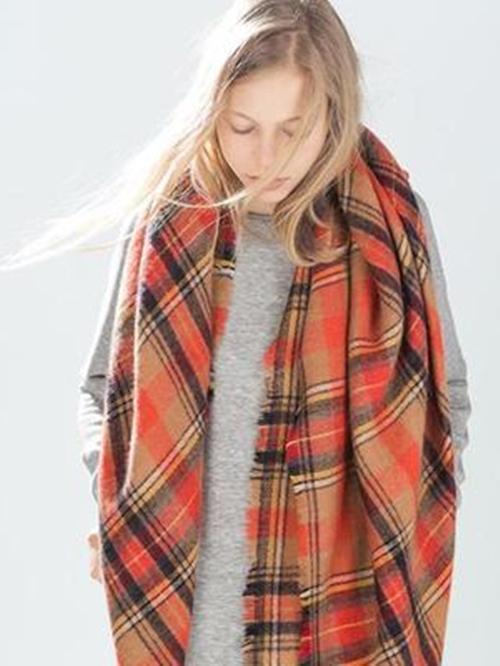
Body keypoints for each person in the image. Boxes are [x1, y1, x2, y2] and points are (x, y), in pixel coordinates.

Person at [1, 1, 472, 663]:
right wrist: (117, 504)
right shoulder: (164, 226)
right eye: (242, 126)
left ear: (335, 114)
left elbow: (446, 398)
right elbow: (102, 386)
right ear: (212, 113)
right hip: (190, 612)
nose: (266, 156)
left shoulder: (392, 229)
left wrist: (412, 523)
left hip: (348, 609)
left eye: (293, 130)